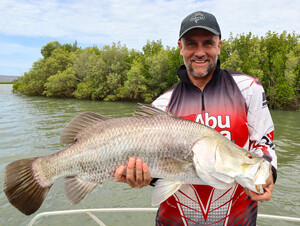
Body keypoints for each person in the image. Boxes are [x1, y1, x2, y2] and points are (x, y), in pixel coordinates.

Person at [115, 11, 277, 225]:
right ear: (180, 47)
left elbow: (264, 143)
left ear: (219, 45)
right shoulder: (162, 105)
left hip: (239, 220)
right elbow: (161, 169)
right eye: (191, 44)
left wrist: (269, 174)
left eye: (208, 43)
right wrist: (145, 177)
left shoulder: (249, 89)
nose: (200, 52)